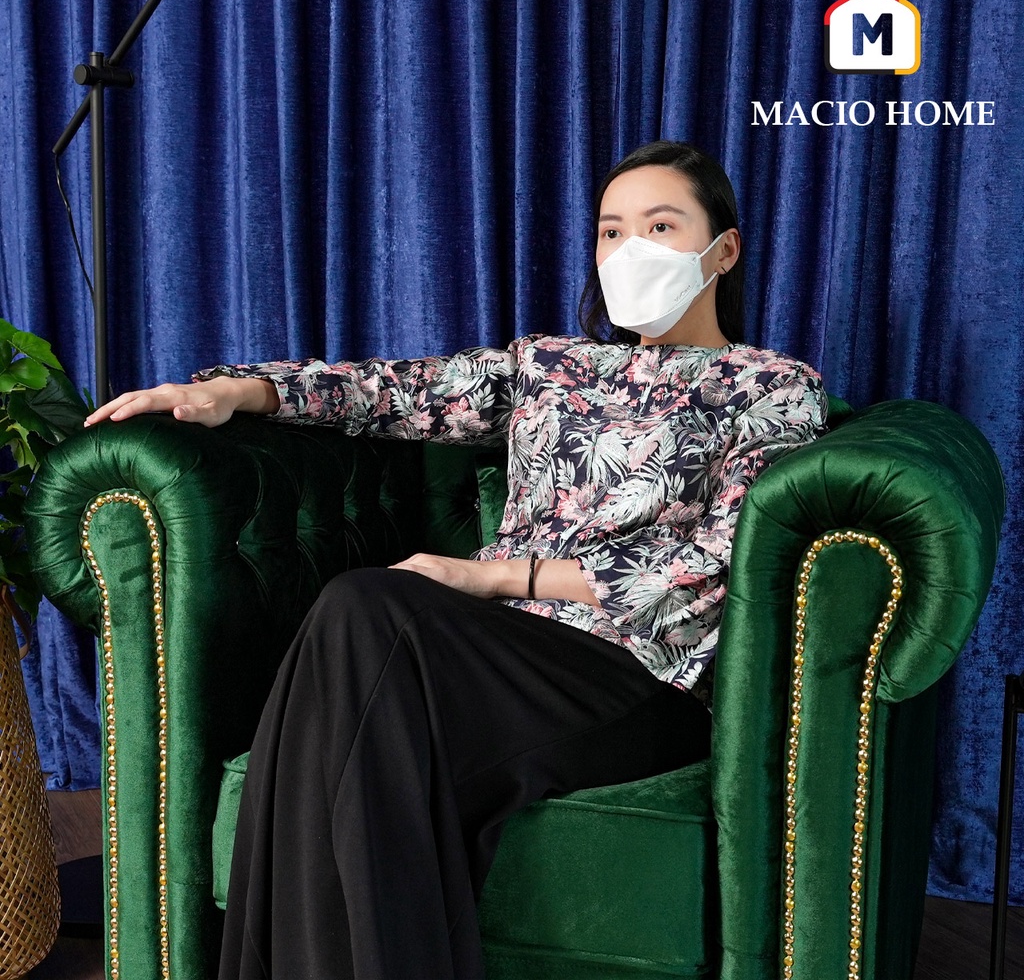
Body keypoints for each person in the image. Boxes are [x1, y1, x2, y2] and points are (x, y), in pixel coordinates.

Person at [86, 140, 828, 979]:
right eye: (612, 231)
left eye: (661, 227)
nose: (632, 251)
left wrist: (492, 576)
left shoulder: (770, 386)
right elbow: (390, 392)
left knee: (365, 611)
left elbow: (714, 570)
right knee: (349, 703)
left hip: (637, 670)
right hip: (493, 654)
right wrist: (231, 391)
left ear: (723, 250)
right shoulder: (551, 367)